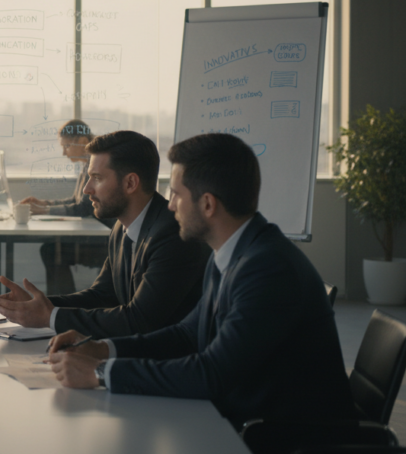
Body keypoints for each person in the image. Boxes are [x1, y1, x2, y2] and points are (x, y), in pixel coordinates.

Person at [47, 133, 356, 428]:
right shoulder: (233, 252)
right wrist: (103, 349)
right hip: (245, 418)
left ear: (208, 204)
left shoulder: (268, 268)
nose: (168, 206)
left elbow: (212, 373)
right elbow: (186, 334)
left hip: (281, 435)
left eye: (177, 195)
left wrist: (102, 372)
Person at [0, 130, 210, 338]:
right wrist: (37, 303)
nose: (87, 189)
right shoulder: (121, 228)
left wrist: (49, 316)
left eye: (97, 178)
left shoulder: (173, 235)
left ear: (131, 183)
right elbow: (102, 295)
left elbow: (140, 320)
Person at [19, 119, 113, 294]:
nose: (63, 153)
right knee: (50, 250)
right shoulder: (89, 163)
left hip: (105, 241)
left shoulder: (95, 165)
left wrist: (45, 211)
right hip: (100, 236)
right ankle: (61, 304)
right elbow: (77, 200)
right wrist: (44, 203)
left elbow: (84, 209)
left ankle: (61, 305)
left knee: (52, 252)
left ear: (83, 141)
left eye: (66, 146)